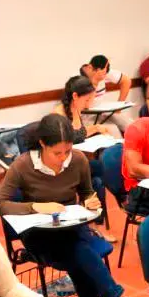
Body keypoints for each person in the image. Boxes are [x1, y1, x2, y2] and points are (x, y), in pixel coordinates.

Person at [0, 114, 139, 297]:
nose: (63, 158)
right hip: (39, 233)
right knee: (78, 252)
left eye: (67, 151)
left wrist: (91, 201)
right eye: (57, 153)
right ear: (42, 145)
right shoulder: (23, 165)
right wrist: (35, 206)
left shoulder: (77, 160)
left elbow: (88, 192)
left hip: (71, 226)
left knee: (76, 252)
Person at [53, 76, 115, 241]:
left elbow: (79, 134)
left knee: (98, 183)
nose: (89, 103)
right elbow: (61, 143)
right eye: (87, 99)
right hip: (62, 165)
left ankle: (95, 226)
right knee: (101, 167)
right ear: (75, 96)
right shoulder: (59, 113)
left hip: (77, 160)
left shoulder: (76, 110)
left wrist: (97, 128)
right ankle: (118, 199)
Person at [80, 55, 133, 134]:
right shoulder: (80, 79)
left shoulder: (103, 72)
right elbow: (87, 104)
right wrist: (95, 81)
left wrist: (119, 107)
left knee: (131, 125)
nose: (104, 73)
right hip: (87, 116)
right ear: (90, 67)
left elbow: (126, 81)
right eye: (102, 69)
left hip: (103, 111)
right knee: (113, 130)